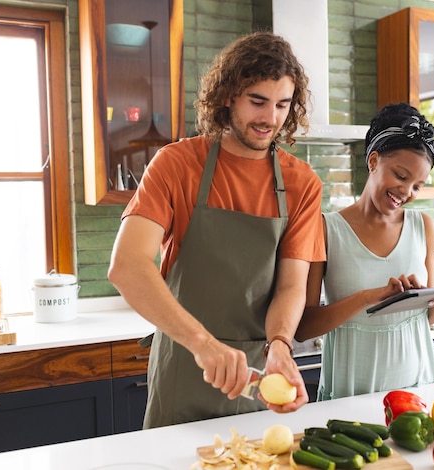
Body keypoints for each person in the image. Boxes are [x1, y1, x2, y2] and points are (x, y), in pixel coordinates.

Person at [108, 31, 326, 428]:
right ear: (228, 96)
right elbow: (127, 265)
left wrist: (280, 345)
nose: (270, 118)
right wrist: (203, 344)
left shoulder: (302, 183)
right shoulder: (175, 164)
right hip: (185, 363)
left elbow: (292, 285)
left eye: (282, 104)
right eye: (257, 102)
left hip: (258, 377)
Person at [295, 102, 434, 401]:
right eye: (401, 176)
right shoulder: (326, 229)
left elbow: (423, 318)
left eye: (418, 185)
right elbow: (304, 328)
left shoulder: (424, 226)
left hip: (421, 386)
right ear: (374, 161)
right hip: (350, 391)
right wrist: (368, 297)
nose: (407, 192)